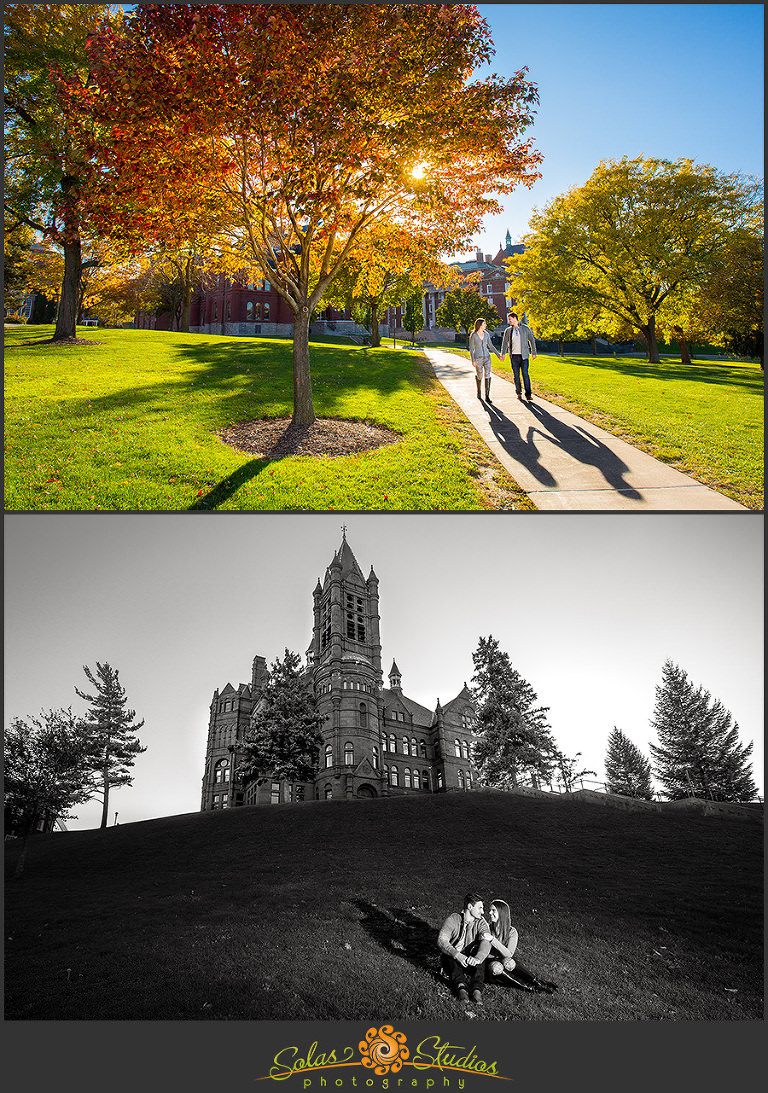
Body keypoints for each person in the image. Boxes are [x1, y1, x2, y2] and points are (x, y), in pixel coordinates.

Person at [484, 898, 558, 994]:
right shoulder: (487, 929)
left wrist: (492, 940)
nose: (489, 912)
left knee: (509, 962)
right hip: (489, 963)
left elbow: (509, 954)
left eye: (493, 910)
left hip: (503, 958)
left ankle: (538, 982)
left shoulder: (511, 931)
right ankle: (530, 988)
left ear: (502, 913)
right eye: (490, 910)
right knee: (496, 967)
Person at [437, 892, 492, 1006]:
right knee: (449, 955)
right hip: (454, 959)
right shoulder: (453, 919)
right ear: (470, 907)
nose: (483, 912)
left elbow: (486, 943)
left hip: (471, 960)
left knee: (480, 955)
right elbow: (442, 940)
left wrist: (478, 958)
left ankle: (476, 989)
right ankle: (461, 987)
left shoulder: (481, 922)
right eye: (480, 908)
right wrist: (457, 954)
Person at [500, 312, 538, 401]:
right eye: (508, 319)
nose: (509, 321)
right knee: (516, 375)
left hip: (524, 356)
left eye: (510, 319)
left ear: (515, 318)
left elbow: (531, 340)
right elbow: (504, 343)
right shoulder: (508, 330)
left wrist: (533, 352)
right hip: (514, 357)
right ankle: (518, 393)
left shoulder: (525, 328)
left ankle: (528, 394)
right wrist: (503, 354)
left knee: (525, 374)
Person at [468, 317, 499, 402]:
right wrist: (473, 360)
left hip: (487, 357)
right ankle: (479, 391)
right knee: (480, 375)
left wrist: (498, 355)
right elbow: (471, 348)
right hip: (478, 358)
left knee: (488, 374)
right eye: (484, 323)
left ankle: (487, 395)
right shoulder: (473, 335)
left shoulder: (487, 334)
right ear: (480, 325)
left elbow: (491, 346)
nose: (485, 325)